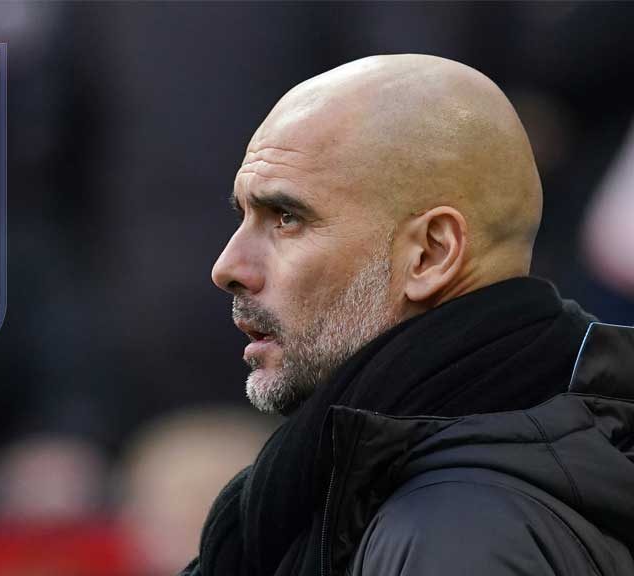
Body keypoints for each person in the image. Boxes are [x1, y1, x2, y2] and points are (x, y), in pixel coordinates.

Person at [182, 54, 634, 576]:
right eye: (244, 216)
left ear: (431, 254)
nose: (227, 267)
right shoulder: (421, 498)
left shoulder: (458, 537)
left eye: (286, 218)